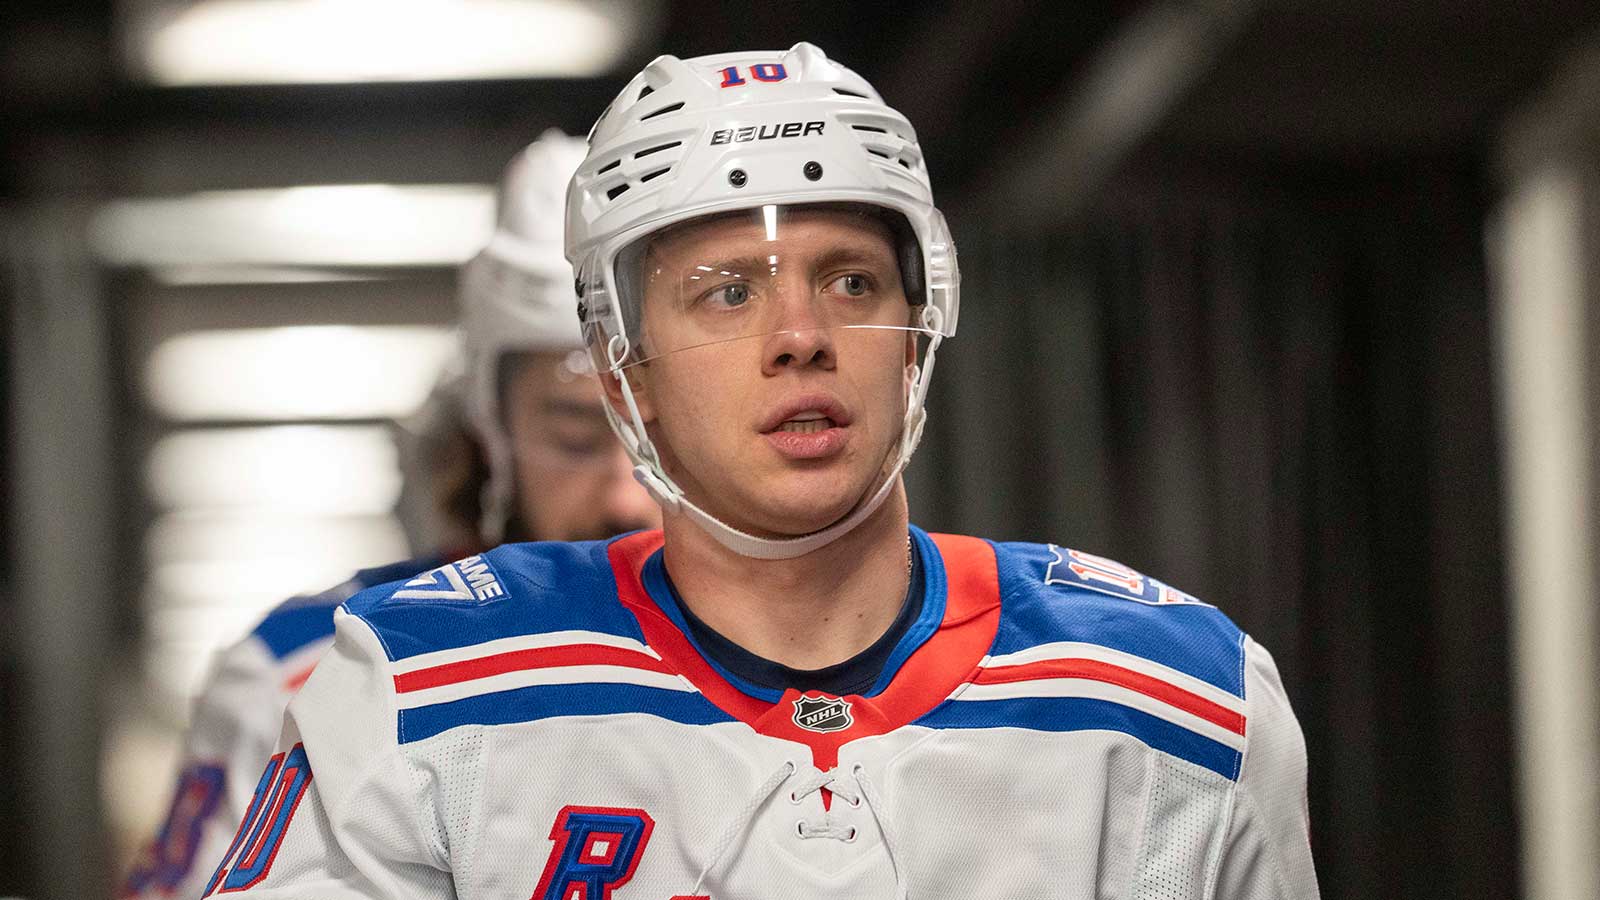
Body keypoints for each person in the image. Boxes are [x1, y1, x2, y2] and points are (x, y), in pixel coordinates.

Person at [205, 43, 1318, 898]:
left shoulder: (1179, 701)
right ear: (620, 367)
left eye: (849, 282)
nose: (799, 335)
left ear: (922, 323)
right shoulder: (411, 693)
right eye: (727, 292)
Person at [118, 131, 658, 899]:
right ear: (488, 427)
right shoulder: (303, 672)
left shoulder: (848, 676)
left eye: (663, 432)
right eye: (574, 432)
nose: (625, 495)